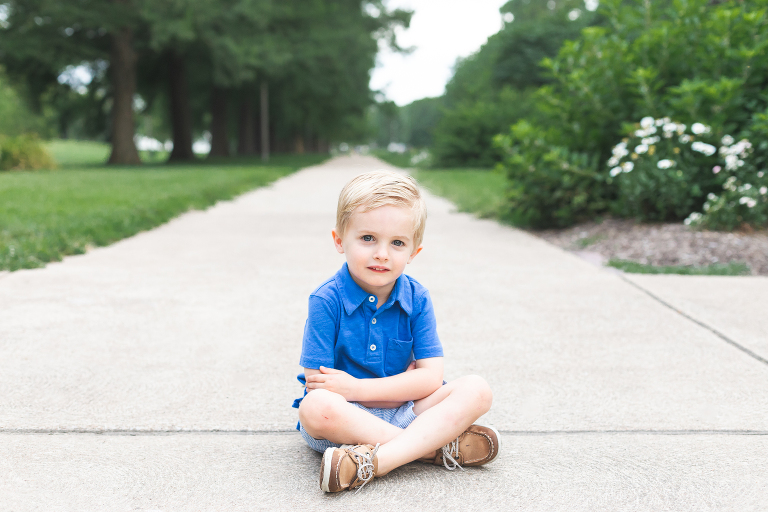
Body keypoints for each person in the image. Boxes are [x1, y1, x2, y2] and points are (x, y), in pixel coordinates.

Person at [293, 170, 499, 493]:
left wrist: (355, 387)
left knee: (478, 389)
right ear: (339, 240)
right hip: (347, 420)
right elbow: (319, 386)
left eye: (397, 243)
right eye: (367, 238)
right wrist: (401, 385)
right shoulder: (326, 300)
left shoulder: (417, 298)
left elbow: (430, 379)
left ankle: (374, 461)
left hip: (405, 411)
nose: (382, 254)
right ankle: (433, 449)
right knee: (314, 409)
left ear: (413, 252)